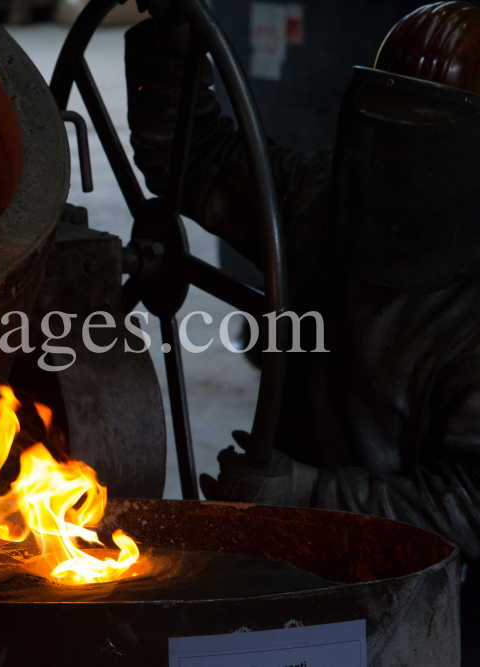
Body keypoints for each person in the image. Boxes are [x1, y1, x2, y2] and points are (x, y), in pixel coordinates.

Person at [126, 0, 480, 644]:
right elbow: (195, 158)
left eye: (426, 139)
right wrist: (174, 40)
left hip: (427, 608)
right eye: (389, 125)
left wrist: (309, 491)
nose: (399, 163)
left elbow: (470, 507)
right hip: (287, 567)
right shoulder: (323, 198)